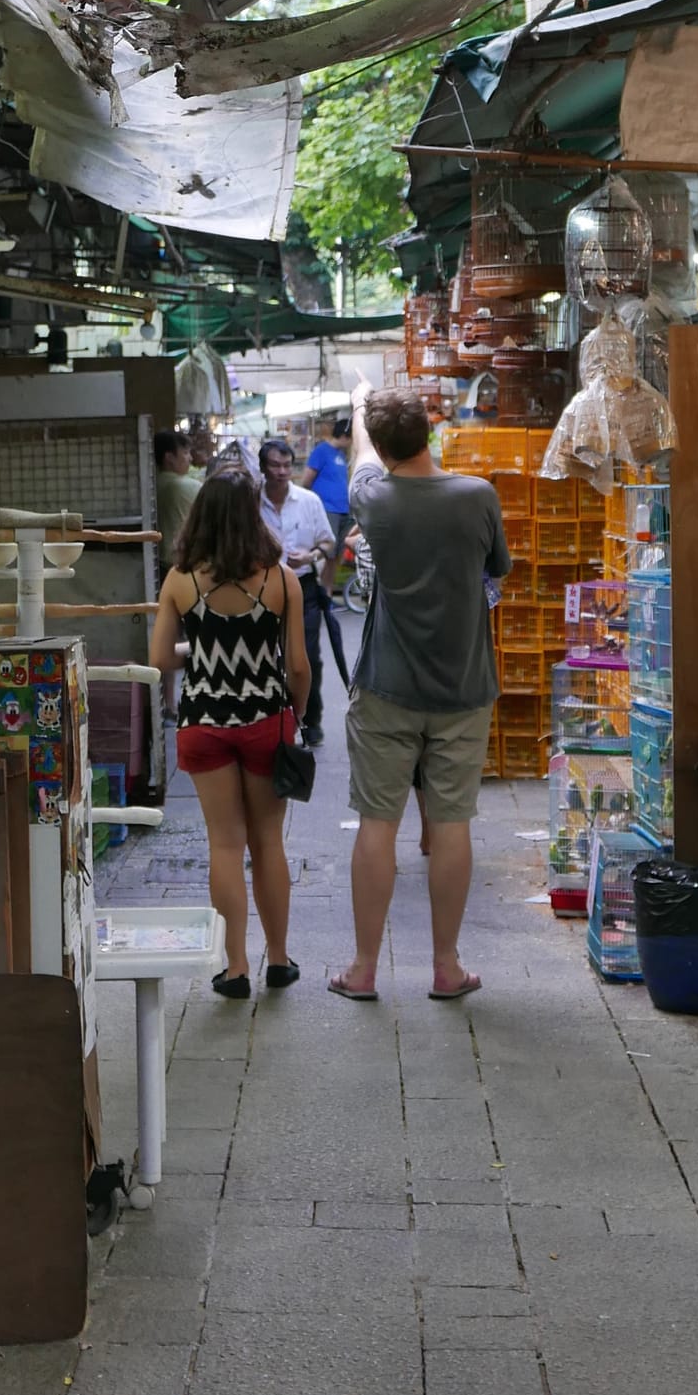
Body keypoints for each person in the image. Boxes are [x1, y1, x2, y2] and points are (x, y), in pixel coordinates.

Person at [331, 387, 508, 1005]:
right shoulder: (477, 495)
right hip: (464, 686)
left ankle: (363, 969)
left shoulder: (373, 499)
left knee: (378, 823)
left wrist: (360, 411)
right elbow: (496, 569)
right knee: (452, 823)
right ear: (429, 432)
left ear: (382, 446)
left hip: (387, 686)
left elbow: (362, 459)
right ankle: (446, 966)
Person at [150, 473, 312, 1000]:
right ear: (253, 513)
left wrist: (201, 651)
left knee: (224, 843)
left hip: (204, 725)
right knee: (268, 841)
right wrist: (296, 716)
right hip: (267, 722)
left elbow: (159, 658)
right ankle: (280, 960)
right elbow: (299, 667)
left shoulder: (180, 580)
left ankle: (236, 966)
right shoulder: (281, 579)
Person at [258, 437, 336, 746]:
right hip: (262, 589)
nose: (281, 472)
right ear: (263, 468)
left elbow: (328, 542)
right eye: (275, 465)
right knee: (264, 655)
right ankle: (272, 718)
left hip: (303, 589)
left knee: (308, 656)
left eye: (287, 465)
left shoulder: (308, 501)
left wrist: (310, 556)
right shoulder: (251, 503)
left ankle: (310, 720)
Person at [300, 415, 352, 551]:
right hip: (327, 509)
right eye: (351, 439)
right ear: (344, 436)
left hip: (343, 509)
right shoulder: (321, 451)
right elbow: (306, 481)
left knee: (339, 552)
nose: (351, 443)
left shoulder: (341, 455)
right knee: (326, 551)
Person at [154, 428, 204, 564]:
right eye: (186, 453)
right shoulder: (189, 486)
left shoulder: (152, 486)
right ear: (169, 457)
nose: (190, 458)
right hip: (185, 562)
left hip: (158, 562)